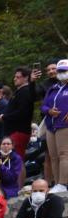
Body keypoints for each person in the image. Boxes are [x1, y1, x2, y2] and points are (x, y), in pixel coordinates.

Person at [40, 60, 68, 193]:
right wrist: (49, 111)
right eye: (60, 71)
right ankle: (57, 183)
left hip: (65, 125)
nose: (61, 73)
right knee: (53, 156)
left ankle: (64, 183)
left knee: (64, 154)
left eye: (64, 71)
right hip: (51, 125)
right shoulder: (53, 88)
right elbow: (44, 105)